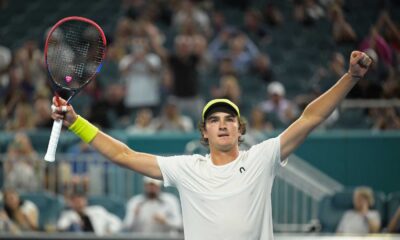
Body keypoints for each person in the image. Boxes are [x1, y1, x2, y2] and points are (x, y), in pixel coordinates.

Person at [51, 51, 371, 240]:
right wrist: (77, 123)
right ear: (204, 132)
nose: (222, 124)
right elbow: (124, 154)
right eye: (214, 120)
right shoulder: (187, 169)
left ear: (239, 129)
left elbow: (309, 118)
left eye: (229, 119)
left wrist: (350, 77)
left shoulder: (262, 158)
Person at [57, 191, 122, 235]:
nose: (79, 203)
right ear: (71, 203)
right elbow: (61, 226)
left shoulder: (98, 210)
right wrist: (74, 225)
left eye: (81, 200)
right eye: (76, 201)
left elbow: (116, 222)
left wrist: (109, 231)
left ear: (85, 201)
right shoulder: (68, 215)